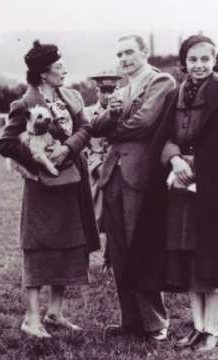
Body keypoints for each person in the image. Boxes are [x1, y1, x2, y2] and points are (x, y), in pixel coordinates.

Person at [126, 35, 218, 351]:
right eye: (193, 59)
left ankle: (211, 329)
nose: (198, 65)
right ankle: (197, 329)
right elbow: (164, 135)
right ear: (184, 62)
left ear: (214, 61)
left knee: (209, 262)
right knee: (188, 260)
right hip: (179, 192)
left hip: (212, 192)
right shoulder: (175, 95)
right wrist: (173, 158)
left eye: (205, 59)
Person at [0, 40, 100, 338]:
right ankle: (31, 318)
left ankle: (55, 312)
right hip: (43, 186)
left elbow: (86, 128)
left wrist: (67, 148)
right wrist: (39, 159)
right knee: (39, 247)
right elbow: (5, 144)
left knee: (69, 244)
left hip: (72, 180)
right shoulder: (24, 104)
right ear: (43, 73)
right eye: (59, 67)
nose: (64, 70)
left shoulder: (71, 96)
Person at [91, 34, 176, 340]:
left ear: (145, 52)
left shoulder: (160, 81)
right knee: (119, 251)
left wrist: (114, 129)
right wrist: (112, 115)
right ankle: (131, 321)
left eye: (129, 52)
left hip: (140, 175)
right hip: (113, 174)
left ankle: (155, 323)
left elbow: (144, 122)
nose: (124, 59)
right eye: (120, 54)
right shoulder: (123, 89)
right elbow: (95, 126)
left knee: (142, 248)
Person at [85, 73, 123, 269]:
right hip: (96, 171)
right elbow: (88, 147)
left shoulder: (123, 111)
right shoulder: (88, 113)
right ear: (97, 91)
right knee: (90, 216)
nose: (108, 95)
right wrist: (97, 167)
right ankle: (82, 260)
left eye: (112, 90)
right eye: (104, 91)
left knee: (116, 217)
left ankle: (110, 259)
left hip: (117, 169)